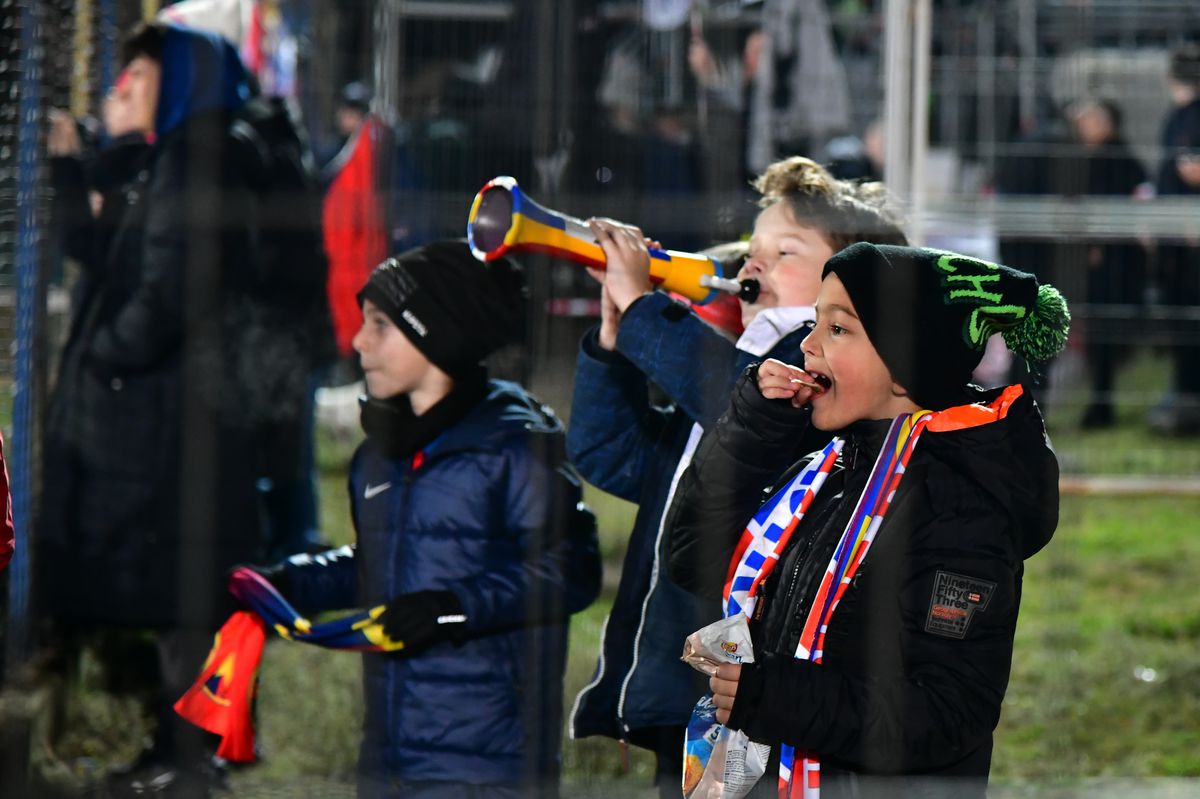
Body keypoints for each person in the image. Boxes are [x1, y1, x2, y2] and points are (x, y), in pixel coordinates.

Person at [666, 243, 1068, 798]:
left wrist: (771, 697)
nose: (807, 345)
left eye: (839, 330)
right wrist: (753, 428)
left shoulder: (960, 508)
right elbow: (690, 558)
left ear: (906, 364)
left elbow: (948, 711)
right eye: (814, 322)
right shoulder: (829, 468)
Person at [567, 156, 905, 797]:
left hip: (755, 674)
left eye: (785, 252)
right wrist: (613, 350)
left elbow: (743, 404)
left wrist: (643, 308)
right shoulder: (737, 362)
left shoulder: (812, 367)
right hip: (685, 662)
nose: (755, 265)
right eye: (753, 251)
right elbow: (609, 454)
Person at [249, 241, 602, 798]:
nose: (360, 343)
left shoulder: (514, 447)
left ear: (436, 335)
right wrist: (286, 584)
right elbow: (379, 565)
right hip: (388, 754)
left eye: (381, 325)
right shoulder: (377, 454)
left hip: (490, 764)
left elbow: (571, 571)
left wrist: (452, 610)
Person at [38, 22, 262, 793]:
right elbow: (107, 254)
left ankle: (196, 761)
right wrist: (73, 171)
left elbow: (167, 289)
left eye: (136, 73)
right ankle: (181, 755)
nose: (119, 85)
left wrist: (109, 356)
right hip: (171, 416)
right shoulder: (178, 156)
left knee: (187, 595)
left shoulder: (200, 160)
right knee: (178, 593)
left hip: (176, 420)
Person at [1063, 99, 1148, 428]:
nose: (1080, 128)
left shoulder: (1111, 159)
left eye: (1086, 121)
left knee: (1104, 336)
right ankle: (1100, 403)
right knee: (1100, 338)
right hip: (1114, 264)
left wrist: (1096, 245)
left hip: (1111, 265)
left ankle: (1102, 406)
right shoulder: (1116, 157)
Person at [1150, 44, 1200, 435]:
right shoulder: (1179, 116)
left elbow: (1190, 171)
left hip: (1188, 239)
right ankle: (1184, 395)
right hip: (1177, 235)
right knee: (1181, 319)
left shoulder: (1190, 117)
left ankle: (1187, 399)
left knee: (1188, 318)